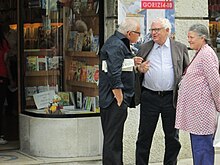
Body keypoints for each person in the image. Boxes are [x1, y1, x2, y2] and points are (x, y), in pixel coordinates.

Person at [135, 18, 189, 165]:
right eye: (152, 30)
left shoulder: (179, 48)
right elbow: (136, 70)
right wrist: (139, 69)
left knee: (172, 138)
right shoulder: (145, 48)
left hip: (170, 99)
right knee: (144, 136)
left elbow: (186, 72)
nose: (153, 33)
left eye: (157, 30)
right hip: (149, 97)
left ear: (167, 31)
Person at [99, 18, 145, 165]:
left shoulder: (119, 43)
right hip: (113, 100)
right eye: (138, 33)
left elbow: (120, 63)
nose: (139, 37)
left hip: (115, 99)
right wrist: (119, 96)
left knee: (115, 138)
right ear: (129, 33)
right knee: (113, 140)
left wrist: (133, 62)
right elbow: (114, 72)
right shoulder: (115, 44)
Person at [175, 24, 220, 165]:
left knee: (202, 149)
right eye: (188, 37)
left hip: (202, 113)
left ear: (203, 38)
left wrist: (219, 105)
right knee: (198, 149)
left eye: (191, 37)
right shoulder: (200, 52)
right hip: (197, 114)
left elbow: (215, 82)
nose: (189, 40)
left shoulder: (206, 54)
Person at [0, 24, 13, 144]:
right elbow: (6, 60)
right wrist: (11, 79)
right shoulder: (3, 43)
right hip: (1, 76)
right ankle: (1, 135)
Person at [3, 22, 18, 115]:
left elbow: (19, 45)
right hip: (5, 61)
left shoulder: (14, 33)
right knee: (7, 84)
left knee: (14, 84)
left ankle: (13, 108)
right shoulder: (2, 36)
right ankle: (8, 108)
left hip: (13, 60)